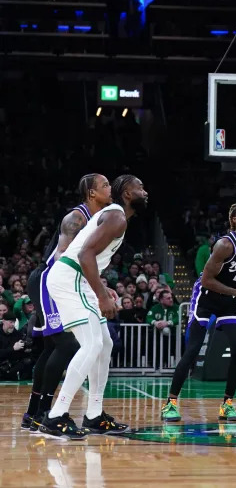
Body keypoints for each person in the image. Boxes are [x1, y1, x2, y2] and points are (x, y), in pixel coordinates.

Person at [39, 175, 148, 440]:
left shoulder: (117, 217)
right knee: (91, 344)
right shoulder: (117, 217)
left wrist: (98, 287)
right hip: (70, 278)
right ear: (127, 194)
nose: (145, 192)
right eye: (140, 188)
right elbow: (84, 254)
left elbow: (91, 257)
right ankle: (55, 416)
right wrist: (102, 295)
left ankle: (94, 415)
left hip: (79, 279)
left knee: (105, 344)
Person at [21, 174, 111, 431]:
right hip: (50, 279)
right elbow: (63, 257)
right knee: (66, 344)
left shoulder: (97, 220)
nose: (109, 189)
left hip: (61, 283)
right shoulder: (77, 218)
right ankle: (46, 413)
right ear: (91, 194)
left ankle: (34, 414)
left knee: (54, 347)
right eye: (104, 185)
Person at [162, 203, 236, 423]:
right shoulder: (225, 244)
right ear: (234, 219)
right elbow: (206, 279)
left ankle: (227, 404)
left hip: (229, 300)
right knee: (193, 350)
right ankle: (171, 403)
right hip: (205, 298)